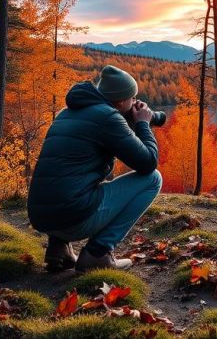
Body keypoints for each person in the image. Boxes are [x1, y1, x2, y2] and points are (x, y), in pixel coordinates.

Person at [28, 65, 163, 271]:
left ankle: (58, 248)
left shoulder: (67, 112)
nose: (135, 103)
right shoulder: (108, 118)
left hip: (41, 216)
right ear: (120, 101)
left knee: (69, 180)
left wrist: (128, 122)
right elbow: (147, 163)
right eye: (132, 98)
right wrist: (143, 123)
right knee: (153, 178)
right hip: (72, 218)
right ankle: (98, 253)